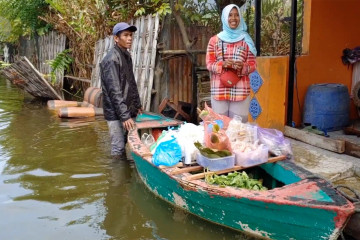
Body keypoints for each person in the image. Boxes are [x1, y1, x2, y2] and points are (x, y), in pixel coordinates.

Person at [206, 4, 257, 122]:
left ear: (240, 18)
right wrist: (222, 64)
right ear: (224, 17)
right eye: (230, 15)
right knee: (220, 127)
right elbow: (209, 63)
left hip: (240, 90)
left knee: (238, 129)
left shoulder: (246, 40)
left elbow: (253, 64)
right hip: (219, 89)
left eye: (236, 15)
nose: (233, 18)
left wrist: (243, 66)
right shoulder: (214, 40)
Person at [100, 22, 142, 157]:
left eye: (130, 35)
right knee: (118, 148)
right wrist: (124, 116)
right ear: (116, 38)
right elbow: (114, 91)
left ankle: (124, 174)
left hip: (127, 109)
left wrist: (137, 104)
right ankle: (117, 176)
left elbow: (131, 82)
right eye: (125, 35)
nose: (129, 38)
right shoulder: (111, 59)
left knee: (125, 143)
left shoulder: (126, 55)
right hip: (115, 112)